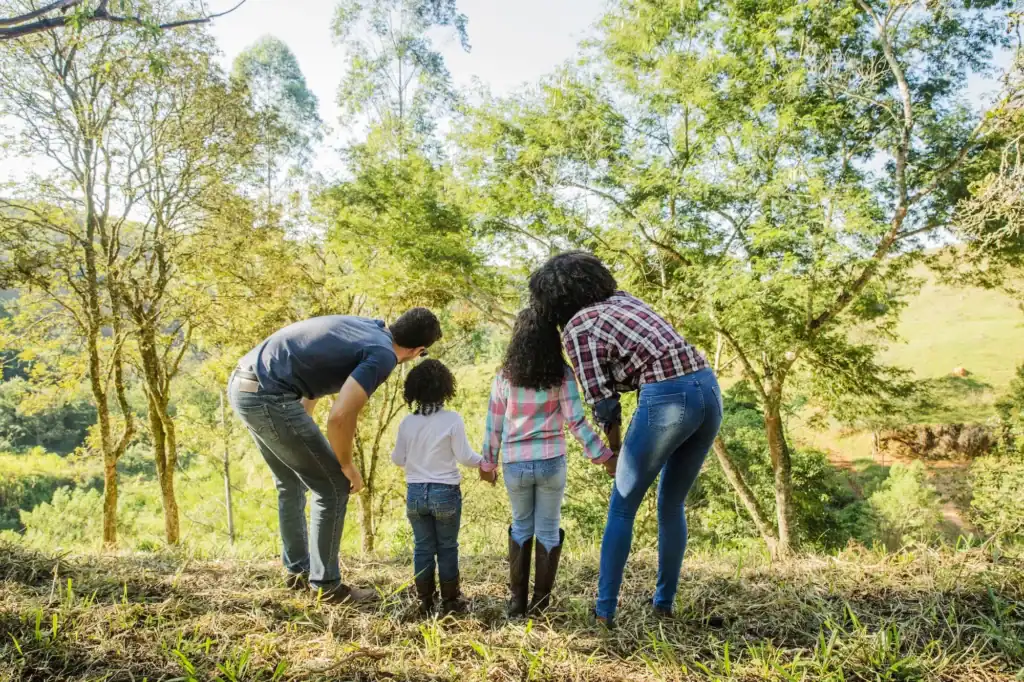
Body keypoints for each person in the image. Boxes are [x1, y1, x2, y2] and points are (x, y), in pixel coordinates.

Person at [528, 251, 722, 627]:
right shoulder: (623, 298)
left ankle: (604, 612)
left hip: (668, 397)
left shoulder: (576, 329)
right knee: (672, 503)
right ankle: (663, 604)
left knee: (622, 506)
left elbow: (604, 405)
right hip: (708, 388)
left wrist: (615, 453)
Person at [228, 309, 442, 604]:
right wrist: (345, 465)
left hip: (243, 382)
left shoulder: (370, 327)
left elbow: (313, 363)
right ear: (417, 350)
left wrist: (301, 421)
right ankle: (326, 586)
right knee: (332, 486)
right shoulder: (384, 355)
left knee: (290, 481)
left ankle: (298, 573)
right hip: (269, 395)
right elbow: (341, 416)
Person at [480, 308, 614, 617]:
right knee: (549, 530)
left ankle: (516, 604)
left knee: (521, 526)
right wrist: (604, 457)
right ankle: (540, 604)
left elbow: (493, 426)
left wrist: (488, 465)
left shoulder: (505, 376)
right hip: (552, 461)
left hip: (516, 463)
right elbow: (577, 422)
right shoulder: (562, 374)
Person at [391, 359, 483, 615]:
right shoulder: (452, 419)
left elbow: (398, 459)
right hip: (445, 492)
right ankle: (451, 602)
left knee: (422, 546)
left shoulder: (407, 423)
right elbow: (465, 457)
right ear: (445, 388)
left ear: (414, 391)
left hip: (416, 493)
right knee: (447, 547)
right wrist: (485, 462)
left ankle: (424, 601)